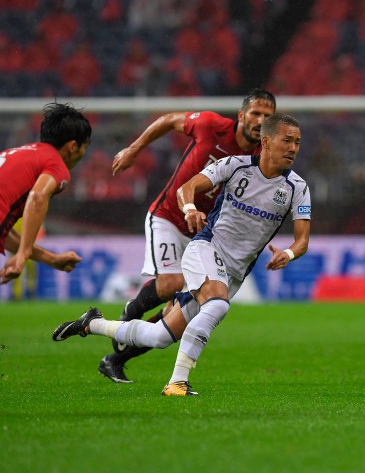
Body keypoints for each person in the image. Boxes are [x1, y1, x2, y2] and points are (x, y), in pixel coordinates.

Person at [53, 113, 311, 397]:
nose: (293, 148)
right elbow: (187, 187)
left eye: (297, 143)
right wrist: (190, 208)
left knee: (160, 336)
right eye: (287, 141)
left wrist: (288, 253)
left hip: (234, 274)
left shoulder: (296, 188)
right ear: (266, 141)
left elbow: (302, 241)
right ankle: (177, 383)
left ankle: (92, 323)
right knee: (217, 306)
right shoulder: (235, 165)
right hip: (205, 248)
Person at [99, 88, 276, 383]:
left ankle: (115, 360)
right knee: (171, 283)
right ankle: (131, 309)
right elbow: (169, 120)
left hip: (203, 234)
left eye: (267, 116)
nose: (260, 120)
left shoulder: (262, 158)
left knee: (178, 316)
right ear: (242, 115)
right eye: (256, 113)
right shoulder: (210, 125)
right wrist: (134, 149)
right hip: (169, 215)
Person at [0, 102, 92, 285]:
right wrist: (23, 254)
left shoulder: (22, 153)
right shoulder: (55, 164)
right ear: (73, 147)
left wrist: (51, 259)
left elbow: (4, 233)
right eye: (85, 146)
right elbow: (38, 196)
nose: (84, 153)